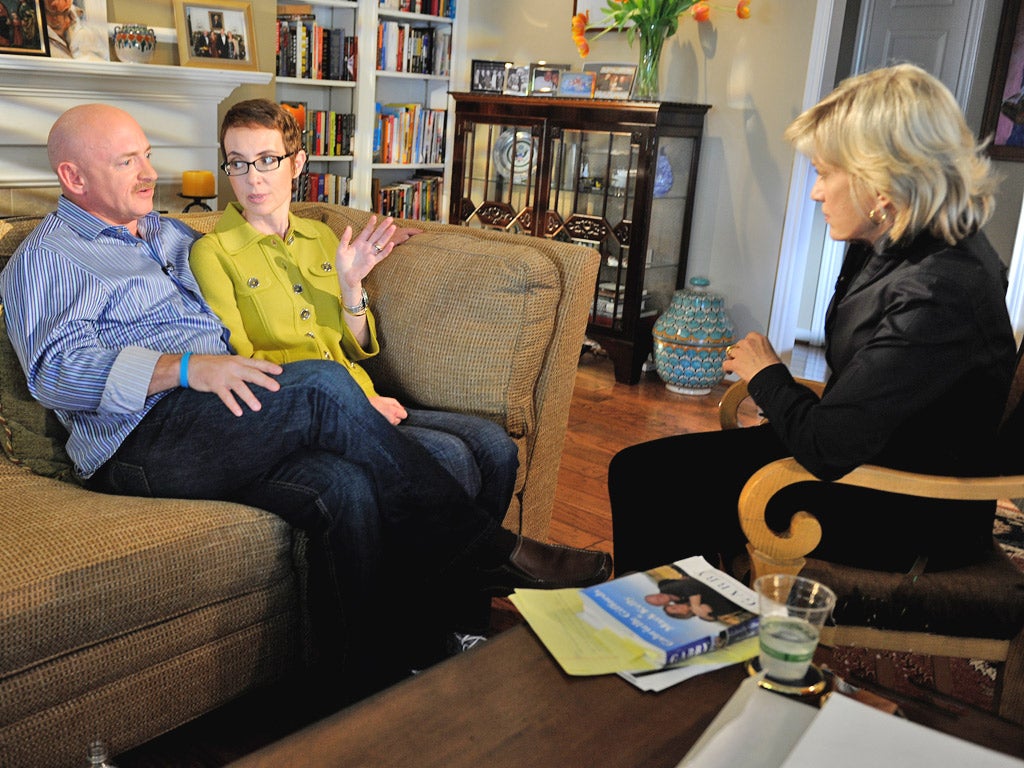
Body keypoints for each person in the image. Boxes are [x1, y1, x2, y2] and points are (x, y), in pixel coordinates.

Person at [0, 102, 612, 702]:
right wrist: (184, 367)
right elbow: (54, 374)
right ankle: (491, 552)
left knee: (341, 485)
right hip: (139, 440)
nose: (147, 173)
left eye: (147, 155)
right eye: (126, 160)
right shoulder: (47, 258)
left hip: (221, 416)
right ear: (72, 177)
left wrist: (349, 287)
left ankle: (364, 682)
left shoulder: (166, 231)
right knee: (320, 385)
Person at [610, 63, 1017, 579]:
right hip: (871, 457)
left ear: (883, 183)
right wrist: (781, 395)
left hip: (903, 509)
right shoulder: (892, 245)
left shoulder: (940, 290)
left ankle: (660, 637)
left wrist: (768, 376)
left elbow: (828, 448)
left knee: (650, 483)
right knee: (645, 474)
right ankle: (689, 622)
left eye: (825, 174)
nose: (815, 192)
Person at [190, 97, 520, 632]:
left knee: (495, 449)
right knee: (451, 456)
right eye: (238, 162)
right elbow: (240, 358)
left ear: (297, 163)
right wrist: (353, 398)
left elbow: (356, 343)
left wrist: (351, 287)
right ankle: (435, 628)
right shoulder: (213, 252)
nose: (252, 177)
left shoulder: (324, 236)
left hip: (364, 393)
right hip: (307, 412)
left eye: (267, 159)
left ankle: (464, 618)